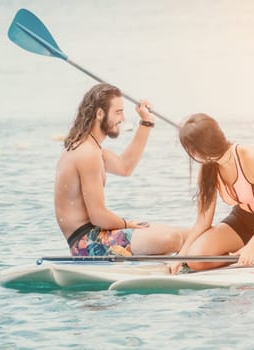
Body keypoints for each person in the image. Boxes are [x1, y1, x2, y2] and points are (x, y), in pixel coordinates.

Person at [54, 83, 188, 256]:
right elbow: (98, 216)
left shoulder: (92, 149)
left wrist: (146, 122)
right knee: (172, 238)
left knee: (189, 234)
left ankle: (227, 256)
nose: (123, 118)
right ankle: (183, 265)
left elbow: (125, 166)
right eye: (118, 112)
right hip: (86, 243)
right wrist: (127, 224)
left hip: (99, 233)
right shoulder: (87, 154)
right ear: (100, 114)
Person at [170, 113, 254, 273]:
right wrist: (182, 255)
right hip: (243, 220)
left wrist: (253, 246)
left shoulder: (251, 157)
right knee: (196, 261)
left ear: (199, 149)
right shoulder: (207, 169)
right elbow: (203, 222)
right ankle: (244, 252)